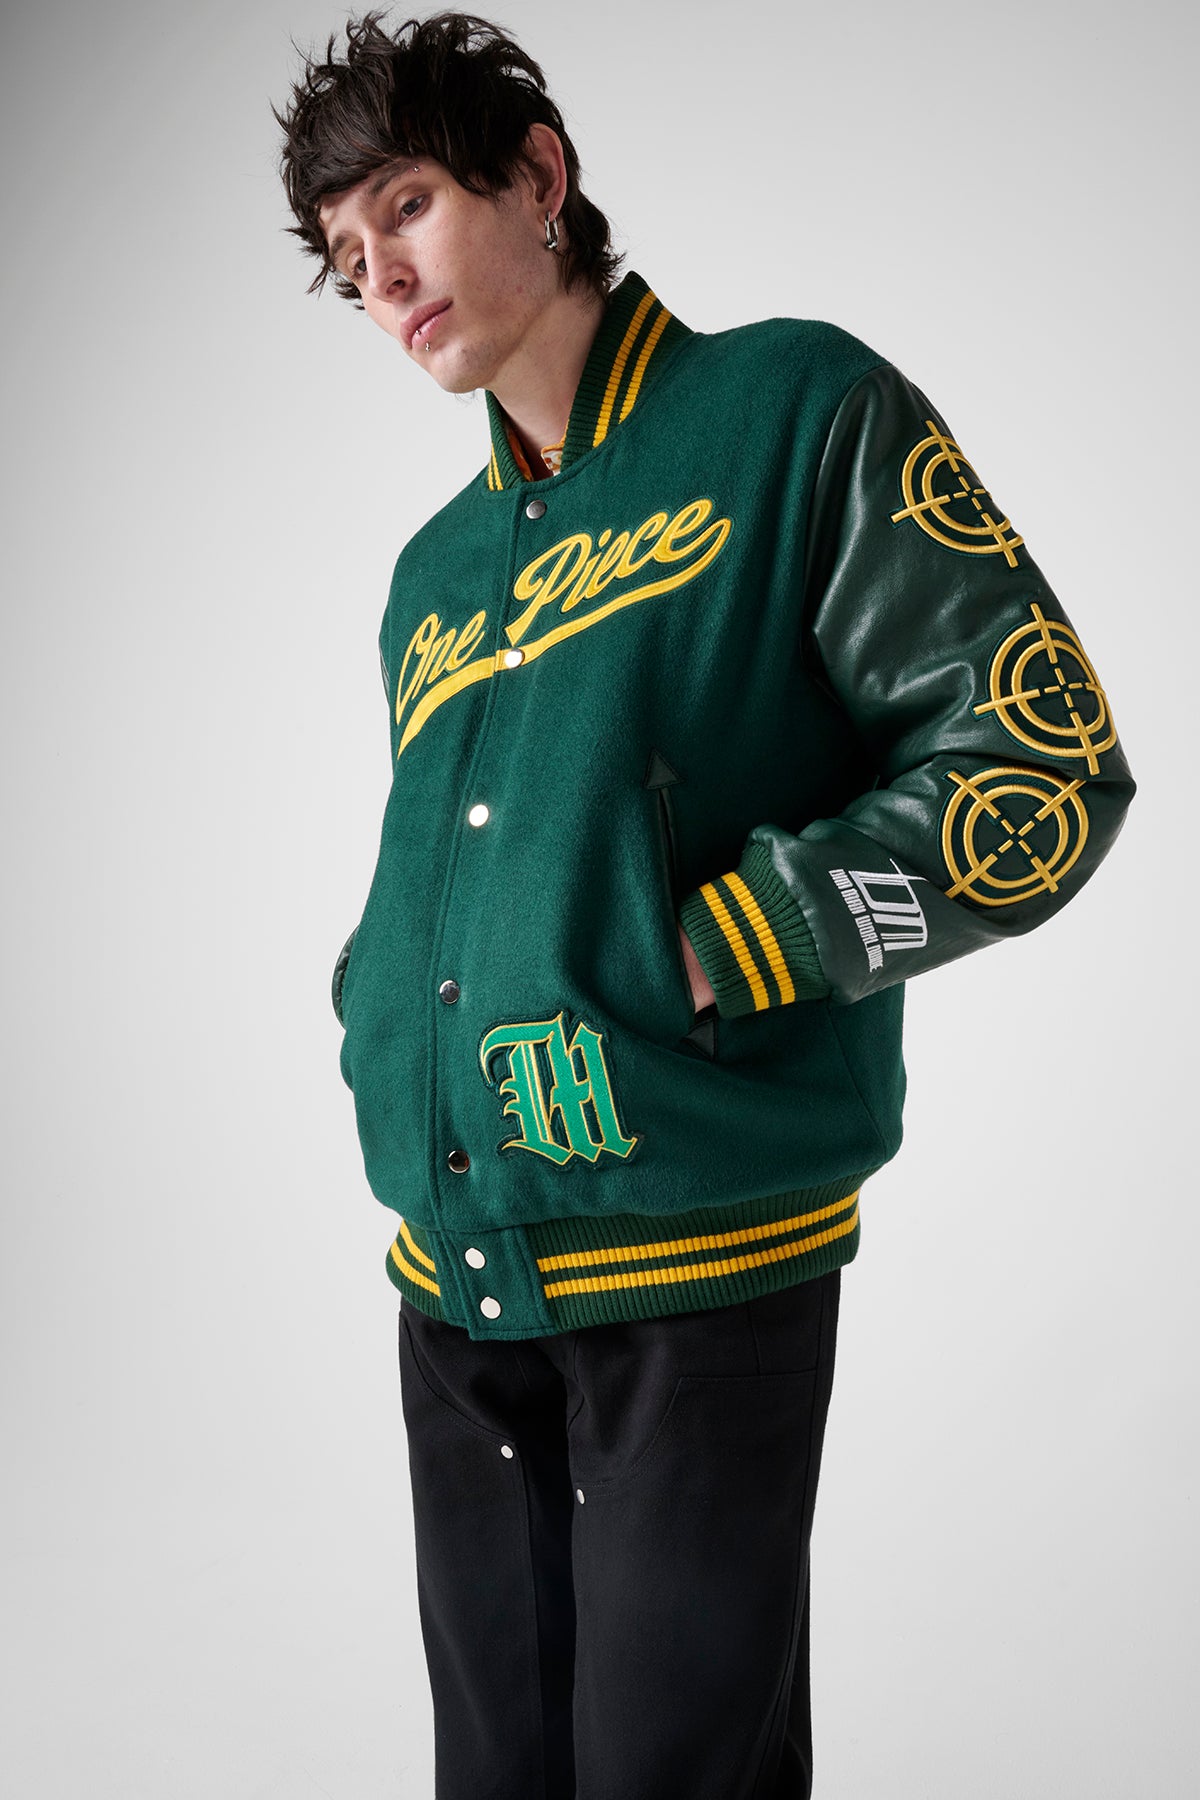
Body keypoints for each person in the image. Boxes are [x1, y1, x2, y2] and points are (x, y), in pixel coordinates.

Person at [274, 12, 1135, 1796]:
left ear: (539, 175)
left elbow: (1043, 768)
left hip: (696, 1265)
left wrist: (732, 945)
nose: (384, 278)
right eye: (350, 258)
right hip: (454, 1280)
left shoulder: (792, 411)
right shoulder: (435, 575)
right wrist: (387, 994)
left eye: (408, 206)